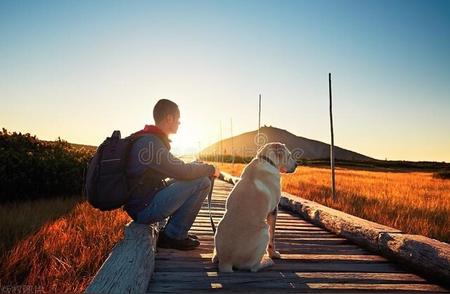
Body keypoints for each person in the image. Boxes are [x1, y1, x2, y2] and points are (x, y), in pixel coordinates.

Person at [124, 99, 220, 250]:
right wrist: (210, 169)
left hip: (144, 199)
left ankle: (173, 231)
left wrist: (198, 167)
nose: (180, 123)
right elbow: (182, 171)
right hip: (143, 209)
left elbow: (177, 169)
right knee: (202, 182)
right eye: (178, 119)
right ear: (169, 118)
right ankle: (174, 235)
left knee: (196, 176)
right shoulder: (151, 144)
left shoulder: (148, 138)